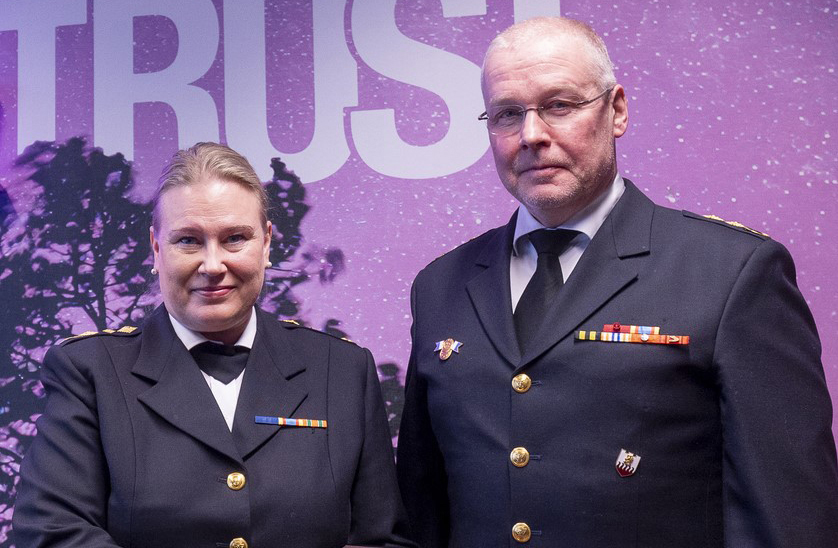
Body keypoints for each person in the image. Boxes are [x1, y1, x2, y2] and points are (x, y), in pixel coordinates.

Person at [396, 16, 838, 547]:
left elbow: (788, 520)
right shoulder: (440, 286)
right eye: (507, 114)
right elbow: (420, 515)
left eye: (560, 105)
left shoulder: (731, 272)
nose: (532, 135)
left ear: (618, 110)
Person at [13, 142, 415, 548]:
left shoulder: (341, 371)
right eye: (188, 240)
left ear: (266, 243)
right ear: (156, 249)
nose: (212, 265)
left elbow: (382, 540)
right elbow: (51, 533)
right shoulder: (90, 372)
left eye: (235, 238)